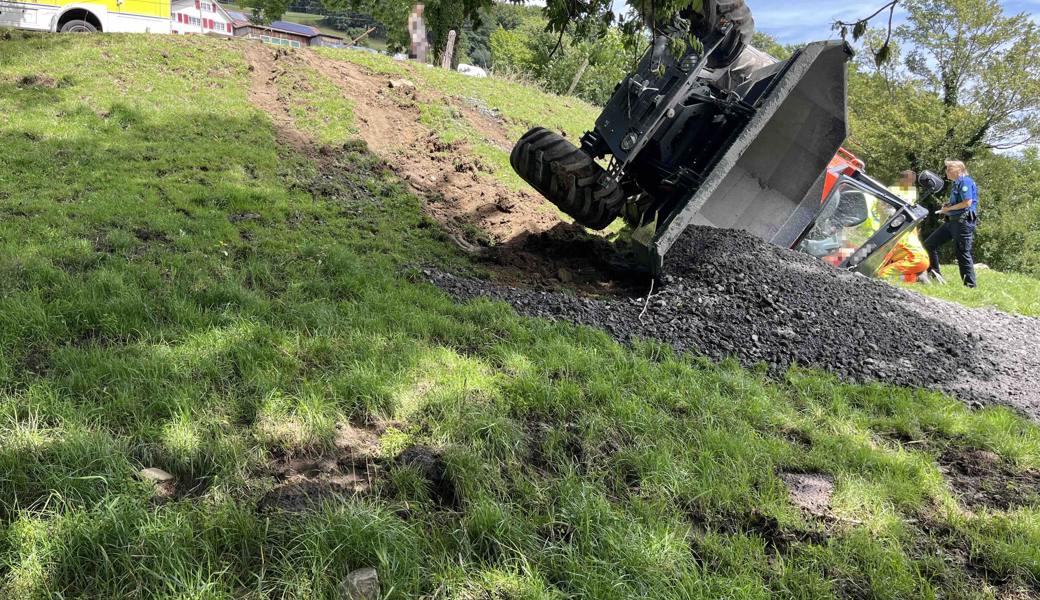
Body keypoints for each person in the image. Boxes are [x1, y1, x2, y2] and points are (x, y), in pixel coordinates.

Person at [924, 160, 979, 287]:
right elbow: (958, 202)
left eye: (949, 169)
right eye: (946, 169)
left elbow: (967, 203)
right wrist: (948, 206)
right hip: (952, 221)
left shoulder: (965, 181)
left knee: (962, 253)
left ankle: (970, 286)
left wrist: (948, 209)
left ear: (958, 170)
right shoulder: (956, 183)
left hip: (963, 222)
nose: (946, 172)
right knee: (929, 244)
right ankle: (935, 275)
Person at [880, 170, 930, 283]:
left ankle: (915, 277)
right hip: (920, 258)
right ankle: (919, 274)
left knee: (881, 274)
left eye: (912, 181)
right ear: (902, 179)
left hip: (917, 258)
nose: (911, 183)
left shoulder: (912, 191)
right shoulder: (893, 190)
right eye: (909, 181)